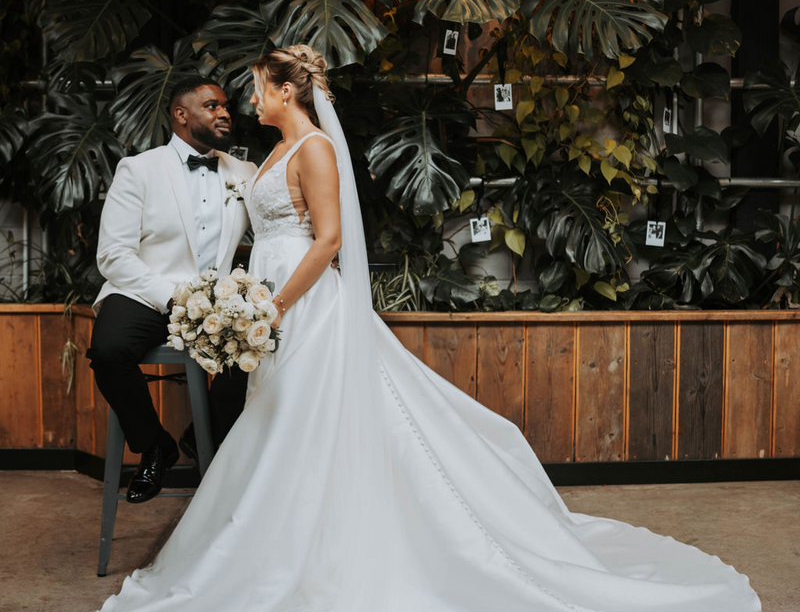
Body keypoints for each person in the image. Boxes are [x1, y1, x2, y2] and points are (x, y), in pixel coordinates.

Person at [97, 46, 760, 612]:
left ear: (286, 88)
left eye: (255, 87)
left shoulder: (317, 147)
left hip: (299, 305)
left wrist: (271, 308)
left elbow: (327, 240)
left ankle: (322, 547)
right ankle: (278, 537)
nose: (248, 100)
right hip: (269, 303)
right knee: (275, 421)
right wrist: (244, 302)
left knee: (306, 419)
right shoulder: (270, 153)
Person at [88, 79, 257, 504]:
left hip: (216, 303)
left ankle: (202, 438)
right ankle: (153, 445)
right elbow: (113, 255)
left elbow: (275, 229)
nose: (224, 113)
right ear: (181, 115)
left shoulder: (245, 174)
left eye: (225, 107)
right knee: (109, 352)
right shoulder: (139, 169)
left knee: (258, 357)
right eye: (211, 105)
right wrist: (172, 297)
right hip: (144, 292)